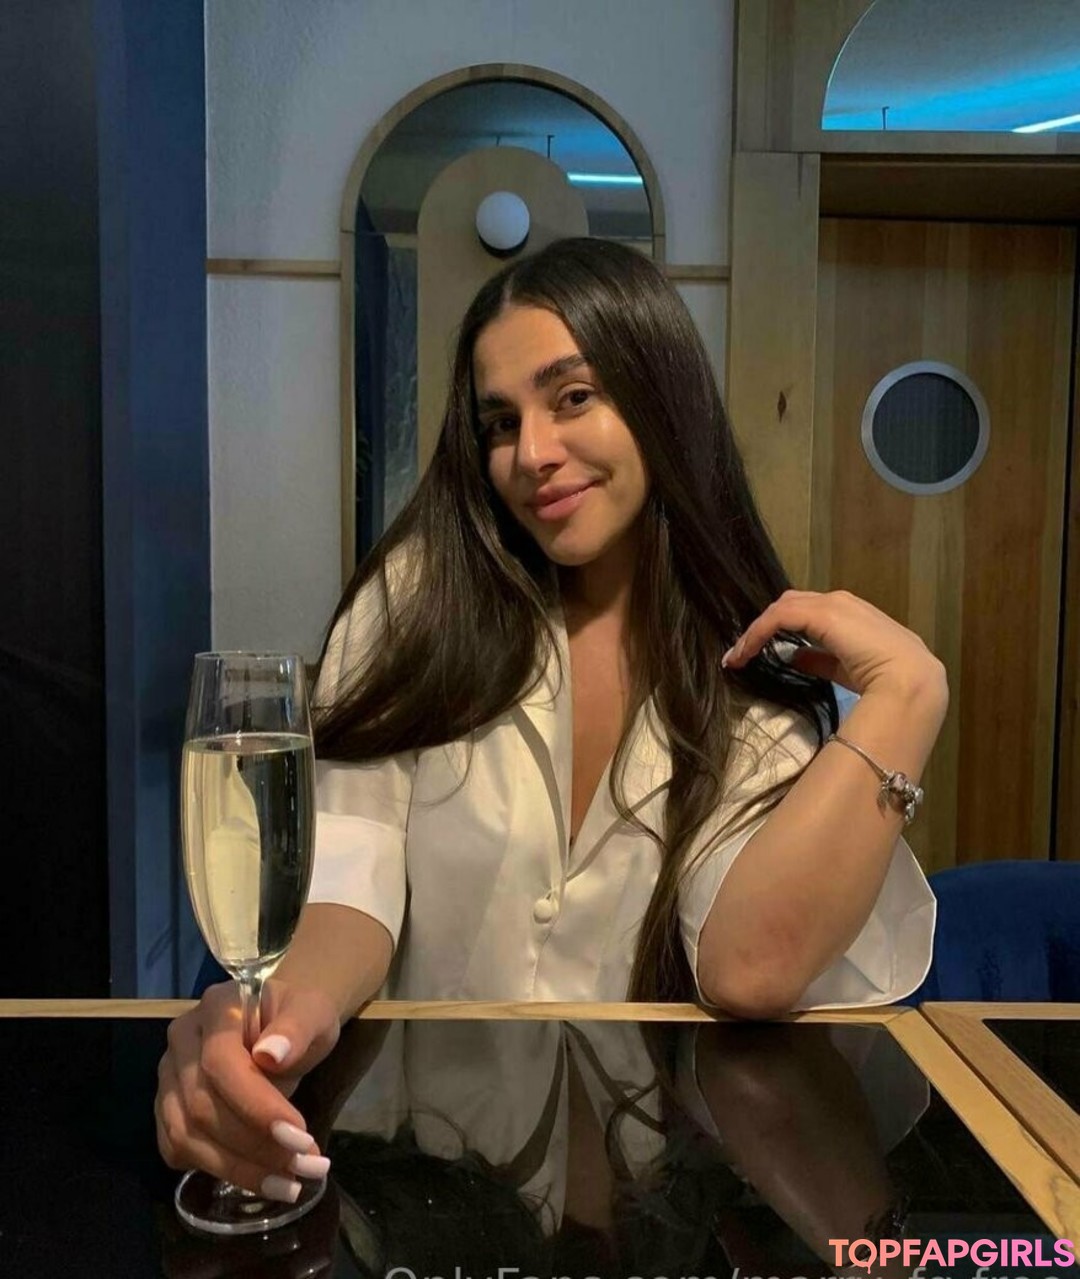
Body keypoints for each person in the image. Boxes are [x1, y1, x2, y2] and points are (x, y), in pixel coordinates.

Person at [156, 237, 947, 1205]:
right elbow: (351, 881)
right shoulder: (415, 603)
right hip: (431, 1194)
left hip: (660, 1200)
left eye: (572, 397)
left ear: (661, 398)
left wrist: (909, 693)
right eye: (500, 422)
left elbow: (749, 965)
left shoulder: (736, 667)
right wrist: (286, 1017)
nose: (530, 454)